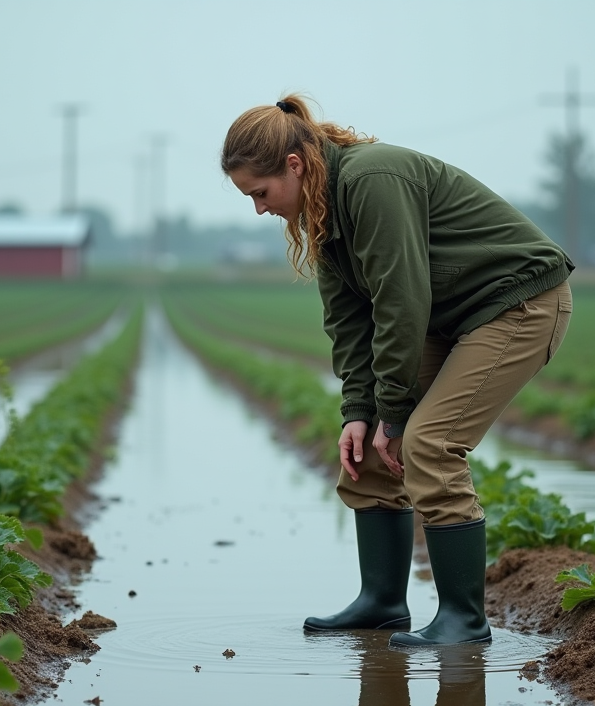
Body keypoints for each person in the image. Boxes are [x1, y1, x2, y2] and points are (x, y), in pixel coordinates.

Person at [221, 95, 573, 646]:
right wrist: (360, 413)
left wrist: (394, 411)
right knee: (367, 451)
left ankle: (464, 619)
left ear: (294, 164)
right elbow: (348, 319)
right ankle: (382, 602)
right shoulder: (323, 208)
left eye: (260, 194)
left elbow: (400, 302)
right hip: (452, 315)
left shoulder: (372, 180)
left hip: (518, 304)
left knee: (428, 443)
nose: (260, 210)